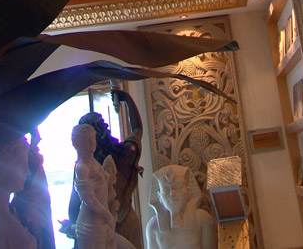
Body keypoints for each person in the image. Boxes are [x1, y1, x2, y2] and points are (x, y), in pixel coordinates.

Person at [64, 89, 143, 249]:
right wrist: (127, 100)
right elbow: (137, 130)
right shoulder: (125, 153)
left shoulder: (84, 165)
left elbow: (74, 207)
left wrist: (74, 228)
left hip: (103, 225)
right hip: (120, 223)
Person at [144, 165, 214, 249]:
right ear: (159, 197)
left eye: (178, 187)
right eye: (166, 189)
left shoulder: (202, 219)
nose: (172, 194)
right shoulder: (153, 226)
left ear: (189, 192)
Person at [71, 123, 118, 249]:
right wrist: (108, 216)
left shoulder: (94, 162)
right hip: (90, 224)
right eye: (87, 140)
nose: (92, 143)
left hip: (101, 220)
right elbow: (89, 200)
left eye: (93, 139)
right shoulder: (82, 168)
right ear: (78, 144)